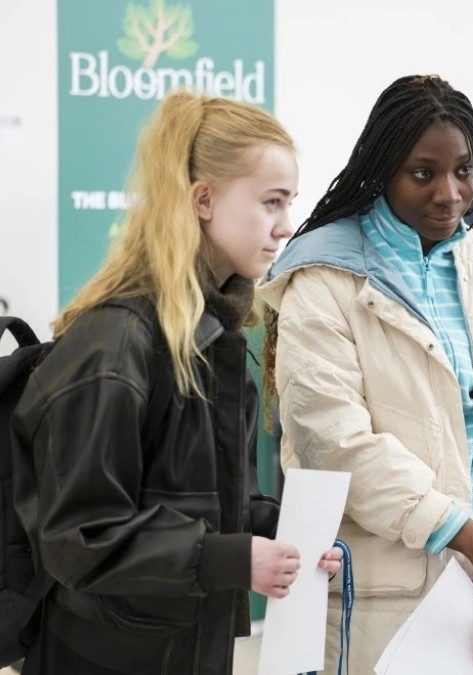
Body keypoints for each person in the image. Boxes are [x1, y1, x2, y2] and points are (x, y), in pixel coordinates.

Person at [11, 90, 343, 675]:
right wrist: (232, 560)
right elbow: (78, 537)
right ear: (204, 199)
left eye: (288, 203)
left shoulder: (216, 338)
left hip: (186, 647)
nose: (285, 227)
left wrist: (287, 531)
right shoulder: (115, 344)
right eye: (271, 202)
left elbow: (215, 500)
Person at [259, 74, 473, 673]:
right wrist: (472, 539)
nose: (450, 194)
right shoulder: (325, 279)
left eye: (464, 170)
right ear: (383, 170)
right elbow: (336, 443)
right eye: (423, 173)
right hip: (386, 596)